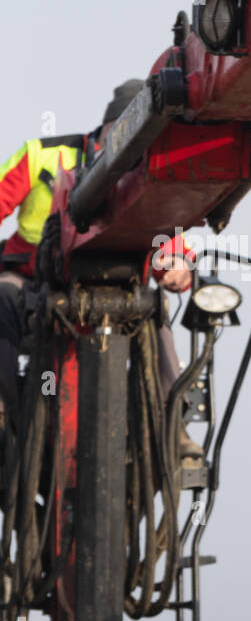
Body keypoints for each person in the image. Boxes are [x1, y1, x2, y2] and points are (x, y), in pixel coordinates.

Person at [0, 80, 202, 458]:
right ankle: (4, 413)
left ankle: (171, 428)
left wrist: (177, 267)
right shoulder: (43, 156)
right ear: (109, 126)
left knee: (154, 316)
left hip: (114, 292)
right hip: (29, 280)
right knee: (2, 297)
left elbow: (170, 245)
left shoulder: (148, 175)